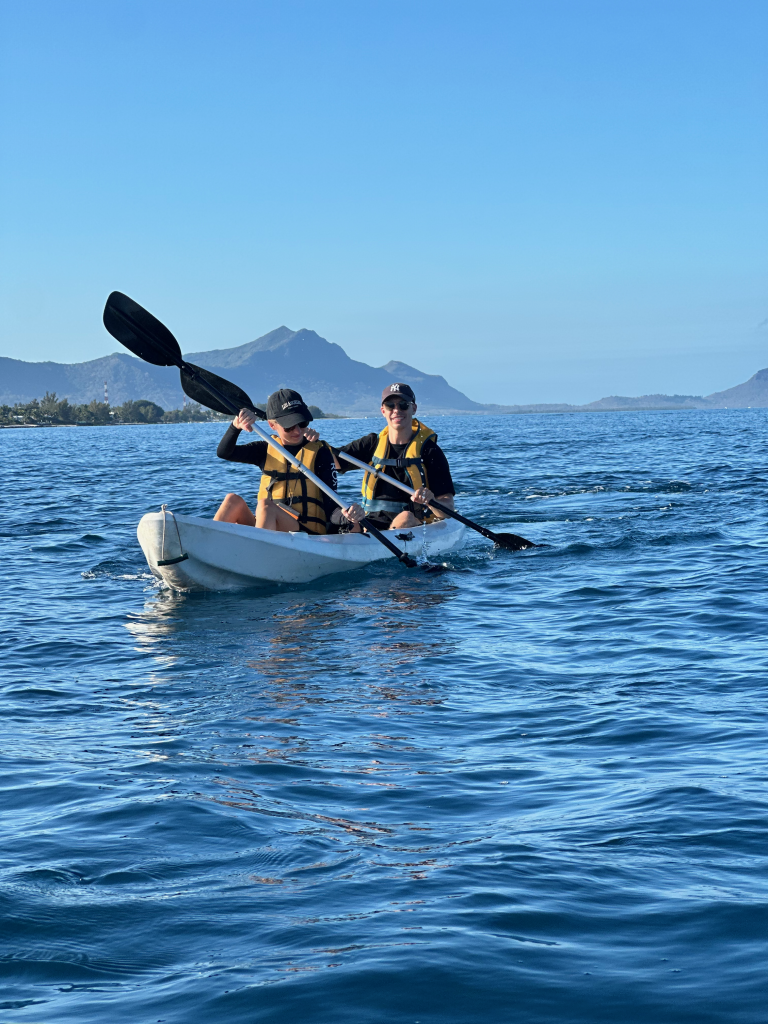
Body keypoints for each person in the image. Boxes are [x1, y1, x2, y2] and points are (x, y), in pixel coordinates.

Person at [214, 388, 364, 534]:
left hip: (305, 533)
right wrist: (236, 427)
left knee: (266, 506)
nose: (297, 431)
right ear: (272, 425)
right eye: (289, 426)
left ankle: (259, 552)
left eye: (302, 423)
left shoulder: (320, 452)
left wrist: (347, 516)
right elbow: (224, 452)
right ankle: (207, 546)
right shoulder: (264, 449)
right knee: (232, 500)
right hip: (268, 527)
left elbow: (332, 509)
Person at [336, 383, 456, 531]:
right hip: (373, 520)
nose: (396, 410)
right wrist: (310, 442)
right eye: (390, 405)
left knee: (404, 518)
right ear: (383, 411)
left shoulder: (430, 451)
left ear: (414, 408)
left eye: (403, 405)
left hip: (414, 523)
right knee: (349, 522)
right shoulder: (371, 444)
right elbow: (332, 461)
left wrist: (430, 500)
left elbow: (448, 508)